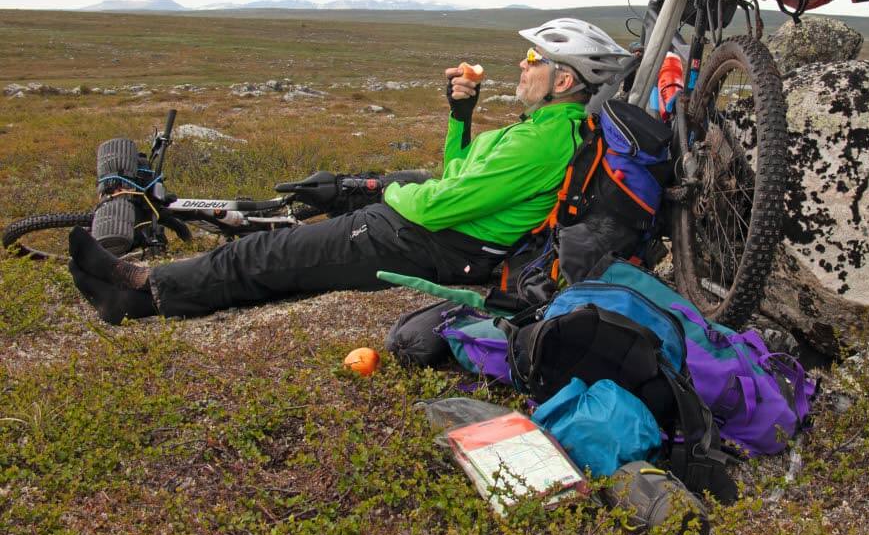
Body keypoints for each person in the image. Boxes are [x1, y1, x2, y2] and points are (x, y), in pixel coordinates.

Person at [67, 19, 631, 324]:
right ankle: (151, 284)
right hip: (438, 233)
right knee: (303, 231)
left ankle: (139, 294)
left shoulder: (543, 142)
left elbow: (438, 202)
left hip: (428, 240)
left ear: (562, 82)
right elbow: (457, 171)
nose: (523, 65)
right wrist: (461, 113)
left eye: (535, 60)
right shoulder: (537, 130)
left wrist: (387, 199)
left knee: (265, 258)